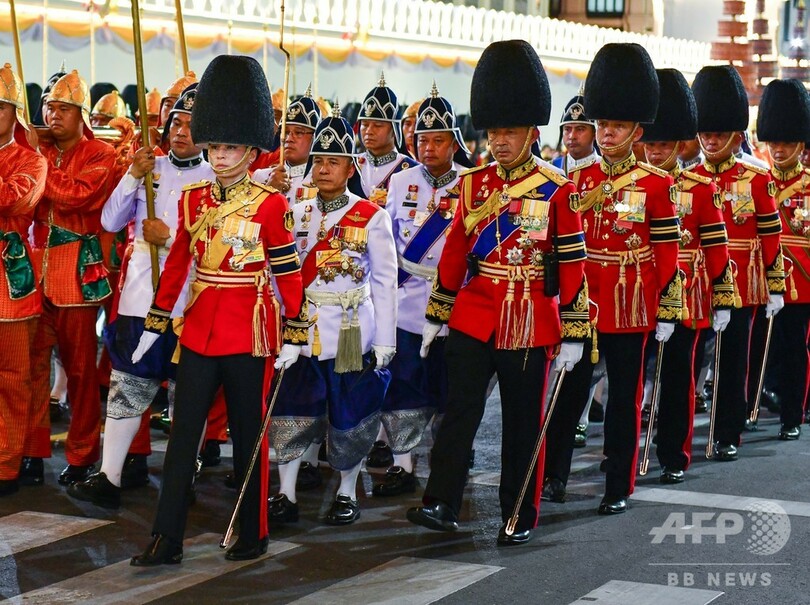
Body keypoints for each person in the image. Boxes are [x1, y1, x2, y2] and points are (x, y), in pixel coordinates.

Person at [406, 39, 589, 545]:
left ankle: (519, 511)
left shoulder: (558, 190)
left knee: (522, 423)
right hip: (475, 311)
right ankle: (441, 501)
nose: (500, 142)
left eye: (509, 132)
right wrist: (438, 312)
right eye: (494, 132)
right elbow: (453, 253)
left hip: (530, 317)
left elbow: (572, 263)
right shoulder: (474, 185)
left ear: (532, 133)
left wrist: (574, 328)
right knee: (458, 411)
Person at [129, 55, 304, 565]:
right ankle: (166, 537)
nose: (221, 156)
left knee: (249, 436)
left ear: (251, 150)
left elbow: (287, 271)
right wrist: (156, 322)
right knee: (183, 436)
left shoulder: (270, 204)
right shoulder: (192, 199)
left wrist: (295, 330)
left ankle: (253, 531)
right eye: (216, 147)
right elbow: (178, 266)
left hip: (250, 329)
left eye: (230, 148)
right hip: (201, 327)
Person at [540, 44, 681, 514]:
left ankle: (619, 483)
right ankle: (554, 474)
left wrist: (667, 307)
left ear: (637, 131)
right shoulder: (577, 181)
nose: (606, 133)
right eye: (602, 125)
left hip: (629, 301)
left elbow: (667, 252)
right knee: (568, 391)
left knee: (624, 396)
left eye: (616, 126)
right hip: (583, 301)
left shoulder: (656, 185)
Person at [66, 85, 213, 509]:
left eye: (191, 126)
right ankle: (109, 476)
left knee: (189, 394)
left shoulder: (216, 179)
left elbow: (222, 244)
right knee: (127, 384)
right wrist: (133, 175)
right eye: (176, 123)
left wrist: (170, 238)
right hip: (140, 298)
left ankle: (182, 478)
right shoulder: (151, 168)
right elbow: (110, 220)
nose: (180, 131)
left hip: (191, 301)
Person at [266, 102, 398, 526]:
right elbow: (278, 273)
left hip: (349, 331)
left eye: (334, 161)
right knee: (292, 410)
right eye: (319, 160)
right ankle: (285, 493)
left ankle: (346, 491)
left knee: (349, 416)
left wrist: (386, 340)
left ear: (350, 166)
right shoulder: (294, 210)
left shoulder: (372, 217)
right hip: (300, 330)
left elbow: (385, 283)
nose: (323, 169)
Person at [372, 83, 471, 497]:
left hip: (456, 304)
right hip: (409, 302)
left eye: (438, 140)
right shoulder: (400, 182)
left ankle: (451, 460)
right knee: (405, 385)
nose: (428, 148)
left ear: (455, 144)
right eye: (422, 140)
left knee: (452, 390)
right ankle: (402, 464)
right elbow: (385, 241)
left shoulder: (471, 183)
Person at [22, 69, 117, 488]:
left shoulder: (100, 154)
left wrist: (36, 160)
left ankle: (81, 455)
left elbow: (76, 195)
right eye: (48, 107)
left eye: (64, 108)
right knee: (32, 369)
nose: (53, 115)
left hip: (77, 273)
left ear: (82, 115)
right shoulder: (37, 146)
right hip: (32, 272)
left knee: (80, 373)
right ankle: (31, 451)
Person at [641, 69, 733, 483]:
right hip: (639, 293)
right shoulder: (634, 185)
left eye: (663, 145)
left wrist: (722, 298)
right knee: (635, 379)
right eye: (650, 145)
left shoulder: (699, 188)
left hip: (686, 294)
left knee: (679, 376)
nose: (655, 153)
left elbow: (716, 247)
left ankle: (673, 454)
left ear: (678, 145)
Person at [691, 65, 784, 461]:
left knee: (733, 361)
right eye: (706, 134)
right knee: (691, 361)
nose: (711, 141)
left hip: (742, 283)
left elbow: (771, 235)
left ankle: (728, 430)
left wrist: (775, 286)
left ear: (736, 135)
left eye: (718, 134)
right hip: (697, 283)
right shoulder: (688, 179)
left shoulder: (757, 179)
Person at [0, 63, 48, 496]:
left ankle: (7, 465)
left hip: (10, 285)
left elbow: (14, 200)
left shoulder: (31, 160)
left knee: (14, 380)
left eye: (0, 107)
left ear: (15, 113)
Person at [754, 79, 810, 441]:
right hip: (760, 279)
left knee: (794, 351)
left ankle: (793, 414)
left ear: (801, 144)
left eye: (786, 143)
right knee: (756, 349)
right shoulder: (757, 182)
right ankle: (749, 407)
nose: (778, 149)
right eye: (773, 143)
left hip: (800, 280)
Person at [356, 73, 419, 207]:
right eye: (365, 124)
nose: (369, 131)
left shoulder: (411, 170)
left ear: (395, 130)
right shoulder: (350, 165)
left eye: (378, 125)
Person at [254, 85, 321, 207]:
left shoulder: (323, 182)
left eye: (299, 133)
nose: (289, 138)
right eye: (285, 132)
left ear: (315, 137)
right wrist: (269, 190)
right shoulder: (260, 177)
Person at [553, 89, 598, 176]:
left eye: (580, 129)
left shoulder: (606, 170)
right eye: (567, 129)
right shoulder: (550, 169)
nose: (572, 136)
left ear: (594, 134)